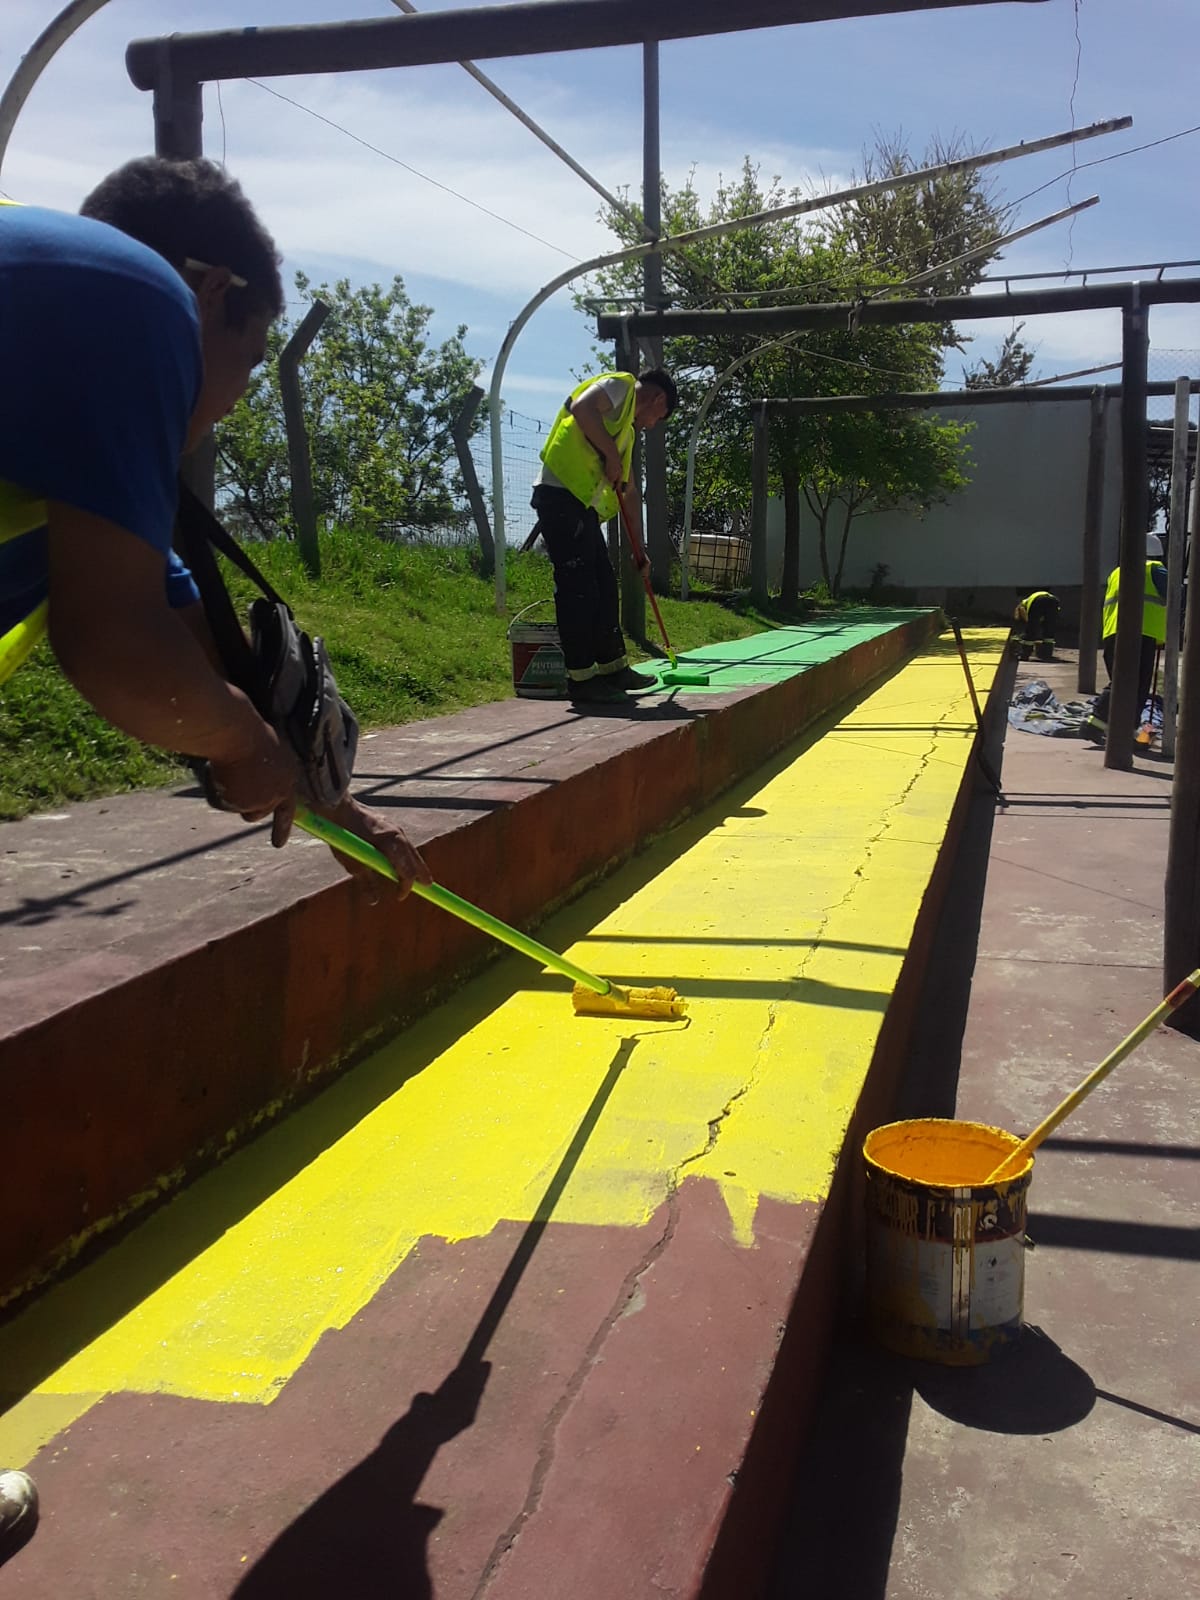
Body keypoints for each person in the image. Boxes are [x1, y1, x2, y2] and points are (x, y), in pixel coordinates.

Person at [0, 159, 430, 1563]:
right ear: (213, 296)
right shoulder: (131, 304)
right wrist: (240, 747)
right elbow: (113, 647)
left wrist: (332, 806)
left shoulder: (51, 363)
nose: (220, 408)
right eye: (236, 372)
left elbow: (181, 642)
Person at [530, 367, 678, 705]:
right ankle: (581, 679)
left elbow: (628, 492)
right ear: (658, 399)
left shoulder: (623, 429)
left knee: (604, 585)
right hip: (560, 495)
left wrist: (638, 553)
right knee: (578, 588)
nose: (653, 424)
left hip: (581, 506)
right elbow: (582, 408)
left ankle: (614, 668)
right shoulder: (621, 386)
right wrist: (610, 455)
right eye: (660, 416)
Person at [1084, 533, 1167, 743]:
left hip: (1113, 634)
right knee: (1135, 687)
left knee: (1122, 684)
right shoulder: (1155, 569)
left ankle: (1106, 728)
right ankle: (1110, 729)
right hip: (1140, 635)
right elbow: (1174, 595)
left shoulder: (1116, 572)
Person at [1012, 589, 1060, 662]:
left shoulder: (1022, 605)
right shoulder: (1028, 601)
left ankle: (1025, 654)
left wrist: (1027, 628)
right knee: (1049, 628)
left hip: (1038, 601)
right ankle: (1047, 653)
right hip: (1054, 601)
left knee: (1031, 629)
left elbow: (1029, 621)